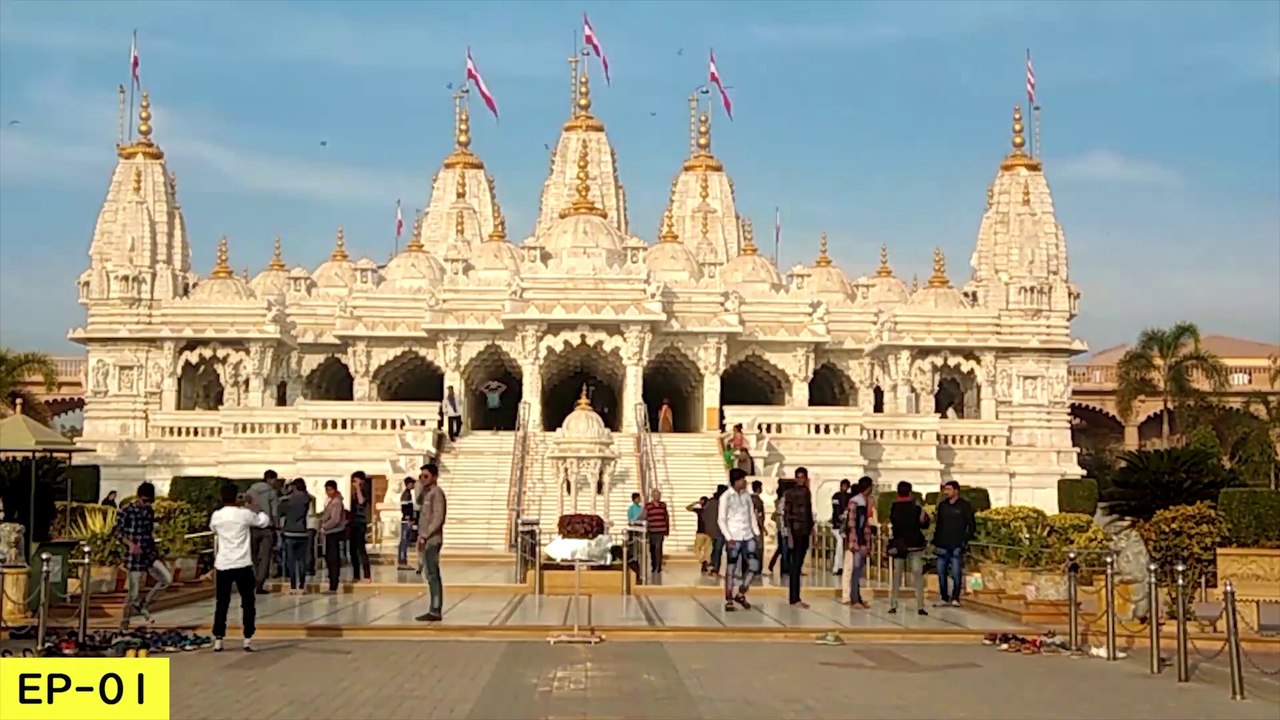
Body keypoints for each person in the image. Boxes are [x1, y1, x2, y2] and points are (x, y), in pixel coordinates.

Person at [209, 482, 271, 652]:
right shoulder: (244, 514)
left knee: (222, 602)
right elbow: (263, 521)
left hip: (223, 564)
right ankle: (247, 638)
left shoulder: (217, 516)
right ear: (237, 496)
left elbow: (213, 528)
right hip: (243, 563)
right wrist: (255, 505)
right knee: (248, 602)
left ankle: (219, 639)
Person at [114, 481, 172, 629]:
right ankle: (124, 623)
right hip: (134, 556)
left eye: (150, 501)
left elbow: (149, 533)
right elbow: (117, 532)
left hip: (149, 554)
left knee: (166, 579)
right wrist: (130, 544)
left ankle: (143, 604)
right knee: (132, 593)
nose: (147, 504)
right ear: (138, 497)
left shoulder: (149, 512)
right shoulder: (127, 511)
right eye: (145, 501)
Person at [718, 468, 761, 611]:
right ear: (736, 481)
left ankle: (741, 592)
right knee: (731, 568)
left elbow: (751, 515)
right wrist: (728, 537)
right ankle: (729, 598)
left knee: (754, 565)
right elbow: (721, 519)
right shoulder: (726, 497)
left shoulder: (747, 496)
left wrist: (757, 533)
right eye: (743, 479)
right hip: (734, 536)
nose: (745, 482)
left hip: (747, 535)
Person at [888, 481, 930, 616]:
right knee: (918, 575)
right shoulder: (916, 508)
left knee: (897, 576)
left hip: (899, 545)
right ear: (910, 492)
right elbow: (925, 523)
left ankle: (893, 604)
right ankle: (920, 606)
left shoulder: (894, 508)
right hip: (915, 545)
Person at [933, 480, 976, 607]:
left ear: (956, 491)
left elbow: (971, 525)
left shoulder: (964, 506)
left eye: (949, 489)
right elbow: (939, 524)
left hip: (957, 543)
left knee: (956, 571)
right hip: (942, 543)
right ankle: (944, 596)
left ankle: (956, 597)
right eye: (945, 489)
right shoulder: (943, 506)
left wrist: (964, 539)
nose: (946, 492)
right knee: (941, 571)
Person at [415, 462, 447, 622]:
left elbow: (438, 518)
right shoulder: (426, 493)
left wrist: (426, 535)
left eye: (426, 476)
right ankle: (433, 607)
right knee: (429, 573)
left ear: (434, 477)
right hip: (425, 539)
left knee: (433, 574)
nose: (423, 479)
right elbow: (418, 502)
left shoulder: (437, 493)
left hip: (432, 540)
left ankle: (436, 609)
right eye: (421, 476)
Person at [782, 468, 815, 607]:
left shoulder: (807, 492)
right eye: (798, 477)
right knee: (795, 565)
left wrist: (811, 529)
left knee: (798, 565)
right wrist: (789, 533)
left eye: (802, 477)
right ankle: (794, 598)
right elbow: (787, 514)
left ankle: (795, 597)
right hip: (795, 531)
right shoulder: (790, 493)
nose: (800, 479)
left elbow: (808, 512)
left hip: (803, 531)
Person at [245, 470, 280, 594]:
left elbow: (246, 507)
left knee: (252, 556)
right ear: (271, 479)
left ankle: (253, 579)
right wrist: (277, 525)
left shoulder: (250, 491)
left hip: (253, 526)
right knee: (265, 557)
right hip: (267, 528)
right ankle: (260, 583)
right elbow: (275, 511)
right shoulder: (272, 492)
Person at [842, 477, 874, 608]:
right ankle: (855, 599)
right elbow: (857, 525)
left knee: (857, 570)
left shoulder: (856, 501)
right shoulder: (859, 503)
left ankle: (857, 598)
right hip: (857, 541)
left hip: (854, 539)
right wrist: (861, 543)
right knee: (856, 570)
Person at [278, 478, 312, 594]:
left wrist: (285, 491)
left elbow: (280, 510)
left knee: (291, 561)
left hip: (289, 532)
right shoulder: (307, 499)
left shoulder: (288, 500)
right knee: (302, 560)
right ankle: (302, 586)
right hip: (303, 532)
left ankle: (293, 586)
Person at [319, 480, 346, 593]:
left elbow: (335, 519)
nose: (328, 492)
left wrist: (324, 526)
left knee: (333, 559)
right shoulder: (331, 501)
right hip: (330, 532)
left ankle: (333, 585)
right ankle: (332, 583)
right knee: (330, 559)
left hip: (333, 532)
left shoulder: (336, 502)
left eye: (330, 490)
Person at [348, 471, 372, 583]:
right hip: (352, 523)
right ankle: (356, 575)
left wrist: (358, 488)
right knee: (352, 550)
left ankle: (367, 575)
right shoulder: (351, 493)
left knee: (361, 550)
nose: (354, 483)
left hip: (361, 522)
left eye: (356, 481)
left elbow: (362, 501)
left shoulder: (365, 491)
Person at [702, 484, 728, 577]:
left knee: (713, 550)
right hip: (720, 531)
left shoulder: (710, 502)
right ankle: (715, 568)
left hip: (711, 530)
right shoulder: (724, 503)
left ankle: (712, 566)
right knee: (718, 550)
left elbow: (704, 515)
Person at [644, 489, 670, 575]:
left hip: (660, 530)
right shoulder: (648, 506)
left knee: (658, 548)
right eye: (655, 495)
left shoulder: (663, 505)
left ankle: (658, 566)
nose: (657, 497)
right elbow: (645, 516)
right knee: (652, 548)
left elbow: (666, 517)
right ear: (652, 496)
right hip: (652, 530)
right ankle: (654, 564)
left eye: (659, 495)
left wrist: (667, 529)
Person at [830, 479, 852, 576]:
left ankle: (841, 566)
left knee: (843, 546)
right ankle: (837, 567)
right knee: (840, 544)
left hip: (845, 525)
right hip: (837, 525)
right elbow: (836, 510)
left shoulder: (849, 497)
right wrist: (841, 516)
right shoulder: (836, 496)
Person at [397, 476, 417, 569]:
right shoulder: (406, 494)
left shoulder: (408, 494)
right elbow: (405, 509)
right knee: (404, 541)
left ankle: (402, 561)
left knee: (405, 541)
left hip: (406, 520)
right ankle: (402, 562)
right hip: (406, 520)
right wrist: (409, 518)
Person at [687, 497, 710, 573]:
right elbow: (688, 508)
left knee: (697, 549)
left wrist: (696, 503)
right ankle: (705, 561)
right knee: (707, 550)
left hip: (701, 533)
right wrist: (696, 503)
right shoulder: (705, 510)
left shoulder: (700, 511)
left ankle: (703, 561)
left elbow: (688, 508)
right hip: (708, 533)